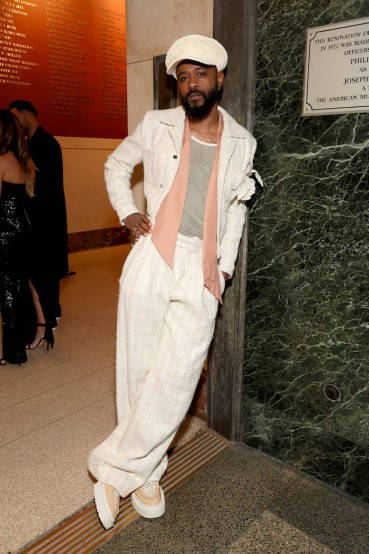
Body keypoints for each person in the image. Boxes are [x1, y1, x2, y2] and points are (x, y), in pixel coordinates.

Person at [88, 34, 262, 530]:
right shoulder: (157, 125)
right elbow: (116, 165)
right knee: (140, 368)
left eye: (201, 74)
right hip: (153, 256)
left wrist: (223, 270)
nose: (192, 85)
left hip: (201, 266)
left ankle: (112, 468)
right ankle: (146, 474)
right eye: (183, 77)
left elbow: (235, 213)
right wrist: (128, 213)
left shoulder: (243, 142)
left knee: (179, 377)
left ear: (220, 78)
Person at [8, 100, 69, 347]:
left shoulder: (48, 144)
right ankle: (47, 316)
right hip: (37, 220)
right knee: (41, 271)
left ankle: (49, 319)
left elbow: (45, 188)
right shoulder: (30, 143)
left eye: (14, 117)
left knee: (47, 269)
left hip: (47, 219)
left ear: (26, 114)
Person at [0, 109, 35, 365]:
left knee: (7, 291)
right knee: (19, 286)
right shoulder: (24, 160)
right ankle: (19, 345)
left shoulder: (0, 160)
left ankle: (11, 351)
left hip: (4, 232)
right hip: (23, 230)